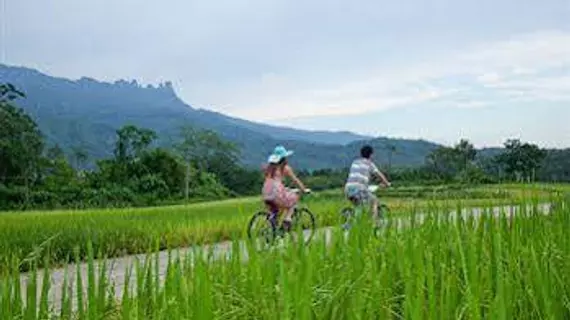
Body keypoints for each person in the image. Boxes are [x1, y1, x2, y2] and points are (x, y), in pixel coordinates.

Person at [262, 145, 310, 231]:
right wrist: (303, 189)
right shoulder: (284, 168)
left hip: (266, 192)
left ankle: (273, 227)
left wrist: (285, 188)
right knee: (293, 200)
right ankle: (287, 219)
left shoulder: (269, 168)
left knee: (276, 209)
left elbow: (273, 182)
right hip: (276, 192)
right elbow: (295, 180)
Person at [344, 145, 391, 224]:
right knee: (374, 201)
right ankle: (374, 223)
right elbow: (379, 175)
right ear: (371, 154)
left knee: (358, 206)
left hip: (348, 189)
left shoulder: (355, 162)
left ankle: (353, 221)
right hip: (359, 189)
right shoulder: (370, 164)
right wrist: (387, 183)